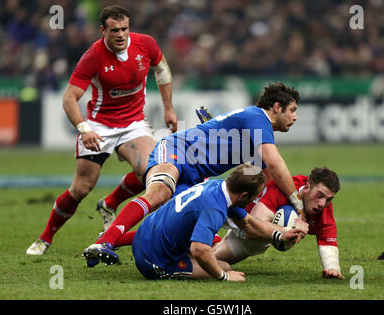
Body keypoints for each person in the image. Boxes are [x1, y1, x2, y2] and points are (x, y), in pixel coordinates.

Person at [83, 81, 309, 264]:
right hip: (177, 151)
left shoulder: (257, 134)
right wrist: (298, 206)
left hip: (195, 177)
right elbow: (276, 164)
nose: (295, 117)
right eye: (292, 110)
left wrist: (268, 220)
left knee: (194, 234)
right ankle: (104, 244)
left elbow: (261, 180)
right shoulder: (258, 117)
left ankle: (110, 239)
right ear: (277, 107)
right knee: (159, 193)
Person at [26, 5, 177, 255]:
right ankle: (45, 238)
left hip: (133, 124)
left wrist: (168, 108)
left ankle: (110, 203)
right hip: (99, 126)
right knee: (81, 188)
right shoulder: (93, 56)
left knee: (150, 172)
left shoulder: (146, 45)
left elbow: (162, 70)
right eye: (114, 30)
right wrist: (84, 129)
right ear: (103, 30)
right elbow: (69, 98)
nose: (120, 35)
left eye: (124, 29)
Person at [84, 164, 305, 280]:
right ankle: (169, 269)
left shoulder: (220, 187)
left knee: (209, 248)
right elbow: (199, 250)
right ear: (245, 195)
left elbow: (248, 223)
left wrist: (279, 233)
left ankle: (107, 240)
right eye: (255, 196)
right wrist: (224, 277)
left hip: (144, 236)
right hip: (153, 262)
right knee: (222, 265)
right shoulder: (214, 208)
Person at [213, 166, 345, 279]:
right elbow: (252, 228)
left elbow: (327, 240)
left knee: (216, 259)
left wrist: (332, 268)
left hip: (249, 230)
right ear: (306, 187)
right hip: (230, 207)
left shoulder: (324, 207)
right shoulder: (283, 189)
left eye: (328, 199)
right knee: (207, 262)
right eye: (319, 195)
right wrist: (288, 230)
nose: (322, 203)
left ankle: (211, 242)